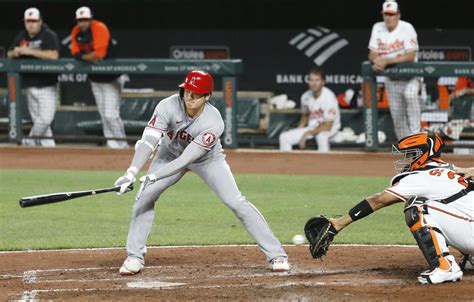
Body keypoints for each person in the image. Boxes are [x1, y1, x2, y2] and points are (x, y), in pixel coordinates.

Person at [114, 70, 290, 275]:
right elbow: (149, 141)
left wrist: (153, 176)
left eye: (196, 94)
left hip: (207, 159)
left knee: (235, 201)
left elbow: (186, 160)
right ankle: (134, 256)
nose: (189, 97)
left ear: (207, 97)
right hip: (168, 154)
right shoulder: (167, 106)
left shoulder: (213, 122)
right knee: (144, 198)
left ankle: (277, 255)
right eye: (187, 91)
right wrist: (131, 172)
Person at [304, 131, 473, 284]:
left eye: (410, 155)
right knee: (454, 205)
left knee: (418, 207)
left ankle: (445, 266)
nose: (406, 159)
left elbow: (379, 200)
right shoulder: (450, 169)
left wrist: (339, 224)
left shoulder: (421, 176)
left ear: (422, 154)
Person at [70, 6, 128, 149]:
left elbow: (98, 56)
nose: (82, 23)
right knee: (104, 115)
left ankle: (122, 144)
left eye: (85, 20)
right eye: (80, 20)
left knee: (110, 115)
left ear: (91, 19)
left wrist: (83, 58)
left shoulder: (99, 27)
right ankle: (112, 144)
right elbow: (74, 53)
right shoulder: (76, 31)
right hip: (95, 79)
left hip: (112, 77)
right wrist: (87, 57)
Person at [368, 0, 421, 141]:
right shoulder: (377, 27)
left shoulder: (407, 28)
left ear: (398, 15)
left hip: (410, 77)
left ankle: (418, 142)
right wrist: (376, 60)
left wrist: (386, 60)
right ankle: (407, 149)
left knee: (410, 96)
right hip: (392, 79)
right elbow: (372, 53)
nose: (388, 17)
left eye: (391, 14)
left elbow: (411, 55)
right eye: (386, 14)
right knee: (397, 117)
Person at [7, 7, 60, 147]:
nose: (31, 24)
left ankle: (29, 141)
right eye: (28, 21)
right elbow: (9, 54)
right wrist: (16, 52)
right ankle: (49, 148)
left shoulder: (48, 35)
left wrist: (29, 51)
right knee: (39, 121)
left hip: (47, 85)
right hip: (30, 85)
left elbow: (54, 55)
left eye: (34, 21)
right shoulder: (21, 36)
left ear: (40, 21)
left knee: (45, 119)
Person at [279, 67, 340, 152]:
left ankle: (324, 163)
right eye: (311, 80)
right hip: (312, 128)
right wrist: (299, 130)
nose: (314, 83)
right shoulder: (305, 97)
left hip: (331, 130)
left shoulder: (329, 97)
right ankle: (287, 163)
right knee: (284, 137)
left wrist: (306, 134)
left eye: (317, 80)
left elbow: (327, 126)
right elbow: (305, 116)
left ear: (323, 82)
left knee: (321, 137)